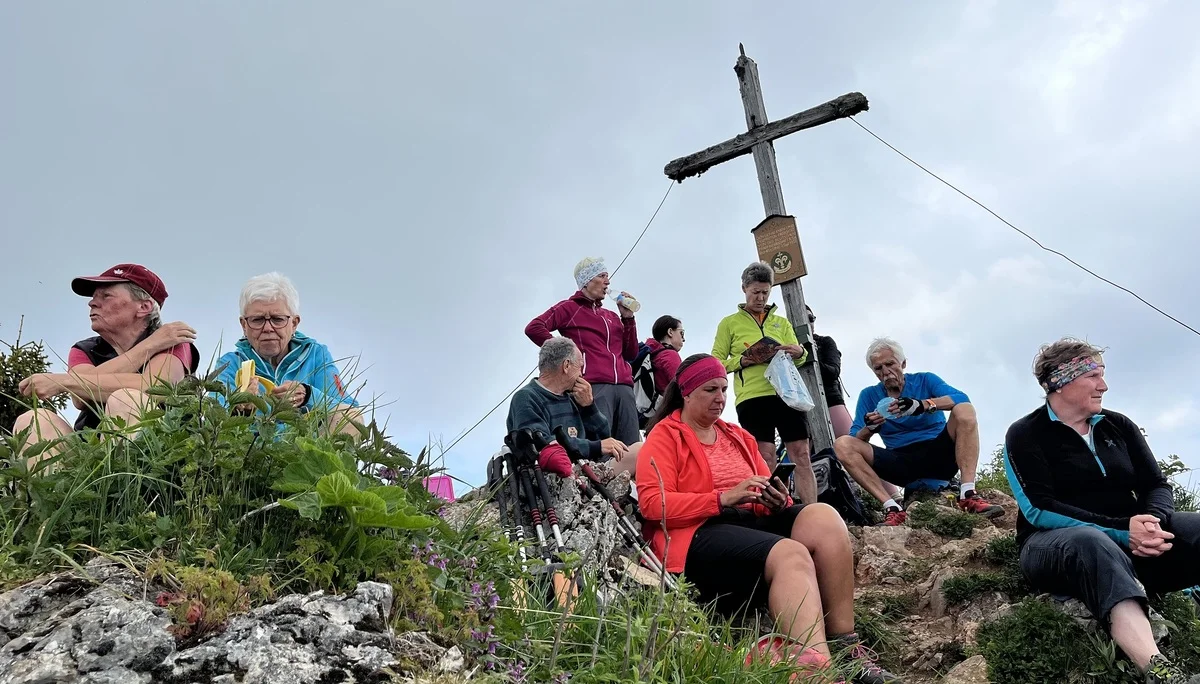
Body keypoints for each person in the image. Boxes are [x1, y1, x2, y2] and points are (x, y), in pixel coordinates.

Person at [636, 354, 901, 684]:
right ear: (687, 393)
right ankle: (821, 672)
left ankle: (847, 649)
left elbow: (769, 486)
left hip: (749, 524)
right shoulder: (665, 435)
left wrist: (776, 502)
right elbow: (652, 505)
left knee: (824, 517)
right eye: (710, 390)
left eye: (723, 389)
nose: (720, 398)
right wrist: (722, 498)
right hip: (698, 534)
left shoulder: (738, 436)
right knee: (791, 553)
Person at [1004, 338, 1200, 684]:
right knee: (1091, 541)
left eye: (1102, 375)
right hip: (1052, 548)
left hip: (1132, 540)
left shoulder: (1118, 425)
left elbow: (1156, 484)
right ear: (1061, 382)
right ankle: (1162, 673)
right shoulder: (1025, 434)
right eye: (1093, 375)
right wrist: (1122, 530)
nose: (1103, 385)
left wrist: (1152, 521)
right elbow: (1038, 509)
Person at [12, 264, 199, 458]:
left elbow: (154, 387)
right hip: (88, 454)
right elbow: (80, 398)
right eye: (94, 297)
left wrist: (61, 382)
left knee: (126, 399)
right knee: (35, 420)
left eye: (106, 296)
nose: (92, 303)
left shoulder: (173, 341)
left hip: (163, 457)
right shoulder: (85, 349)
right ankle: (50, 488)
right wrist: (149, 346)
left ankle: (123, 486)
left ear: (144, 307)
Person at [835, 337, 1002, 526]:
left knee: (965, 410)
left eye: (890, 364)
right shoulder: (870, 395)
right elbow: (855, 436)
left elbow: (961, 398)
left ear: (903, 363)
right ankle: (892, 507)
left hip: (938, 454)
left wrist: (922, 405)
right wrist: (870, 428)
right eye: (878, 368)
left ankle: (968, 494)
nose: (886, 372)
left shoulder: (925, 380)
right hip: (900, 461)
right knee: (842, 444)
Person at [711, 262, 815, 503]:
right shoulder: (729, 323)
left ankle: (812, 511)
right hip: (753, 397)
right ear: (744, 289)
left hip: (787, 393)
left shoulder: (782, 322)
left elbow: (800, 359)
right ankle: (772, 510)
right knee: (764, 456)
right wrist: (743, 360)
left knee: (802, 453)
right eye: (755, 292)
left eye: (765, 292)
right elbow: (716, 362)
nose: (760, 297)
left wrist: (799, 352)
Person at [214, 272, 363, 436]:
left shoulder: (316, 354)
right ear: (244, 325)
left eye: (277, 319)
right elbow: (213, 416)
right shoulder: (230, 363)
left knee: (352, 419)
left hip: (305, 452)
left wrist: (308, 396)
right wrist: (240, 410)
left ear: (294, 323)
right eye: (257, 320)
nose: (268, 328)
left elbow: (349, 409)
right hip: (253, 451)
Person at [525, 256, 641, 446]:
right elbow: (534, 327)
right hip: (593, 386)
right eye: (602, 276)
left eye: (608, 276)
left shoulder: (611, 316)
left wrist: (628, 318)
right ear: (587, 280)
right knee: (602, 446)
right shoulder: (570, 308)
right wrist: (566, 355)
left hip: (625, 388)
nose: (608, 281)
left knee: (631, 448)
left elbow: (630, 354)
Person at [506, 336, 635, 476]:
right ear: (566, 365)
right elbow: (542, 445)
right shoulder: (526, 397)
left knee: (642, 452)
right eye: (580, 366)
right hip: (557, 477)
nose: (581, 373)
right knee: (639, 452)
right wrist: (596, 447)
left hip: (588, 470)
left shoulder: (574, 396)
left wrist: (589, 407)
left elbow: (604, 436)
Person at [806, 305, 852, 438]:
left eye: (812, 318)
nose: (810, 322)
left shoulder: (825, 342)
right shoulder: (790, 346)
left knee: (849, 442)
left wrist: (811, 355)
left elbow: (833, 371)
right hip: (801, 405)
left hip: (831, 399)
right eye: (805, 319)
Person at [644, 314, 684, 396]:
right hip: (668, 406)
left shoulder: (652, 354)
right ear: (670, 332)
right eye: (681, 333)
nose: (683, 339)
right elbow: (681, 386)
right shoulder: (670, 355)